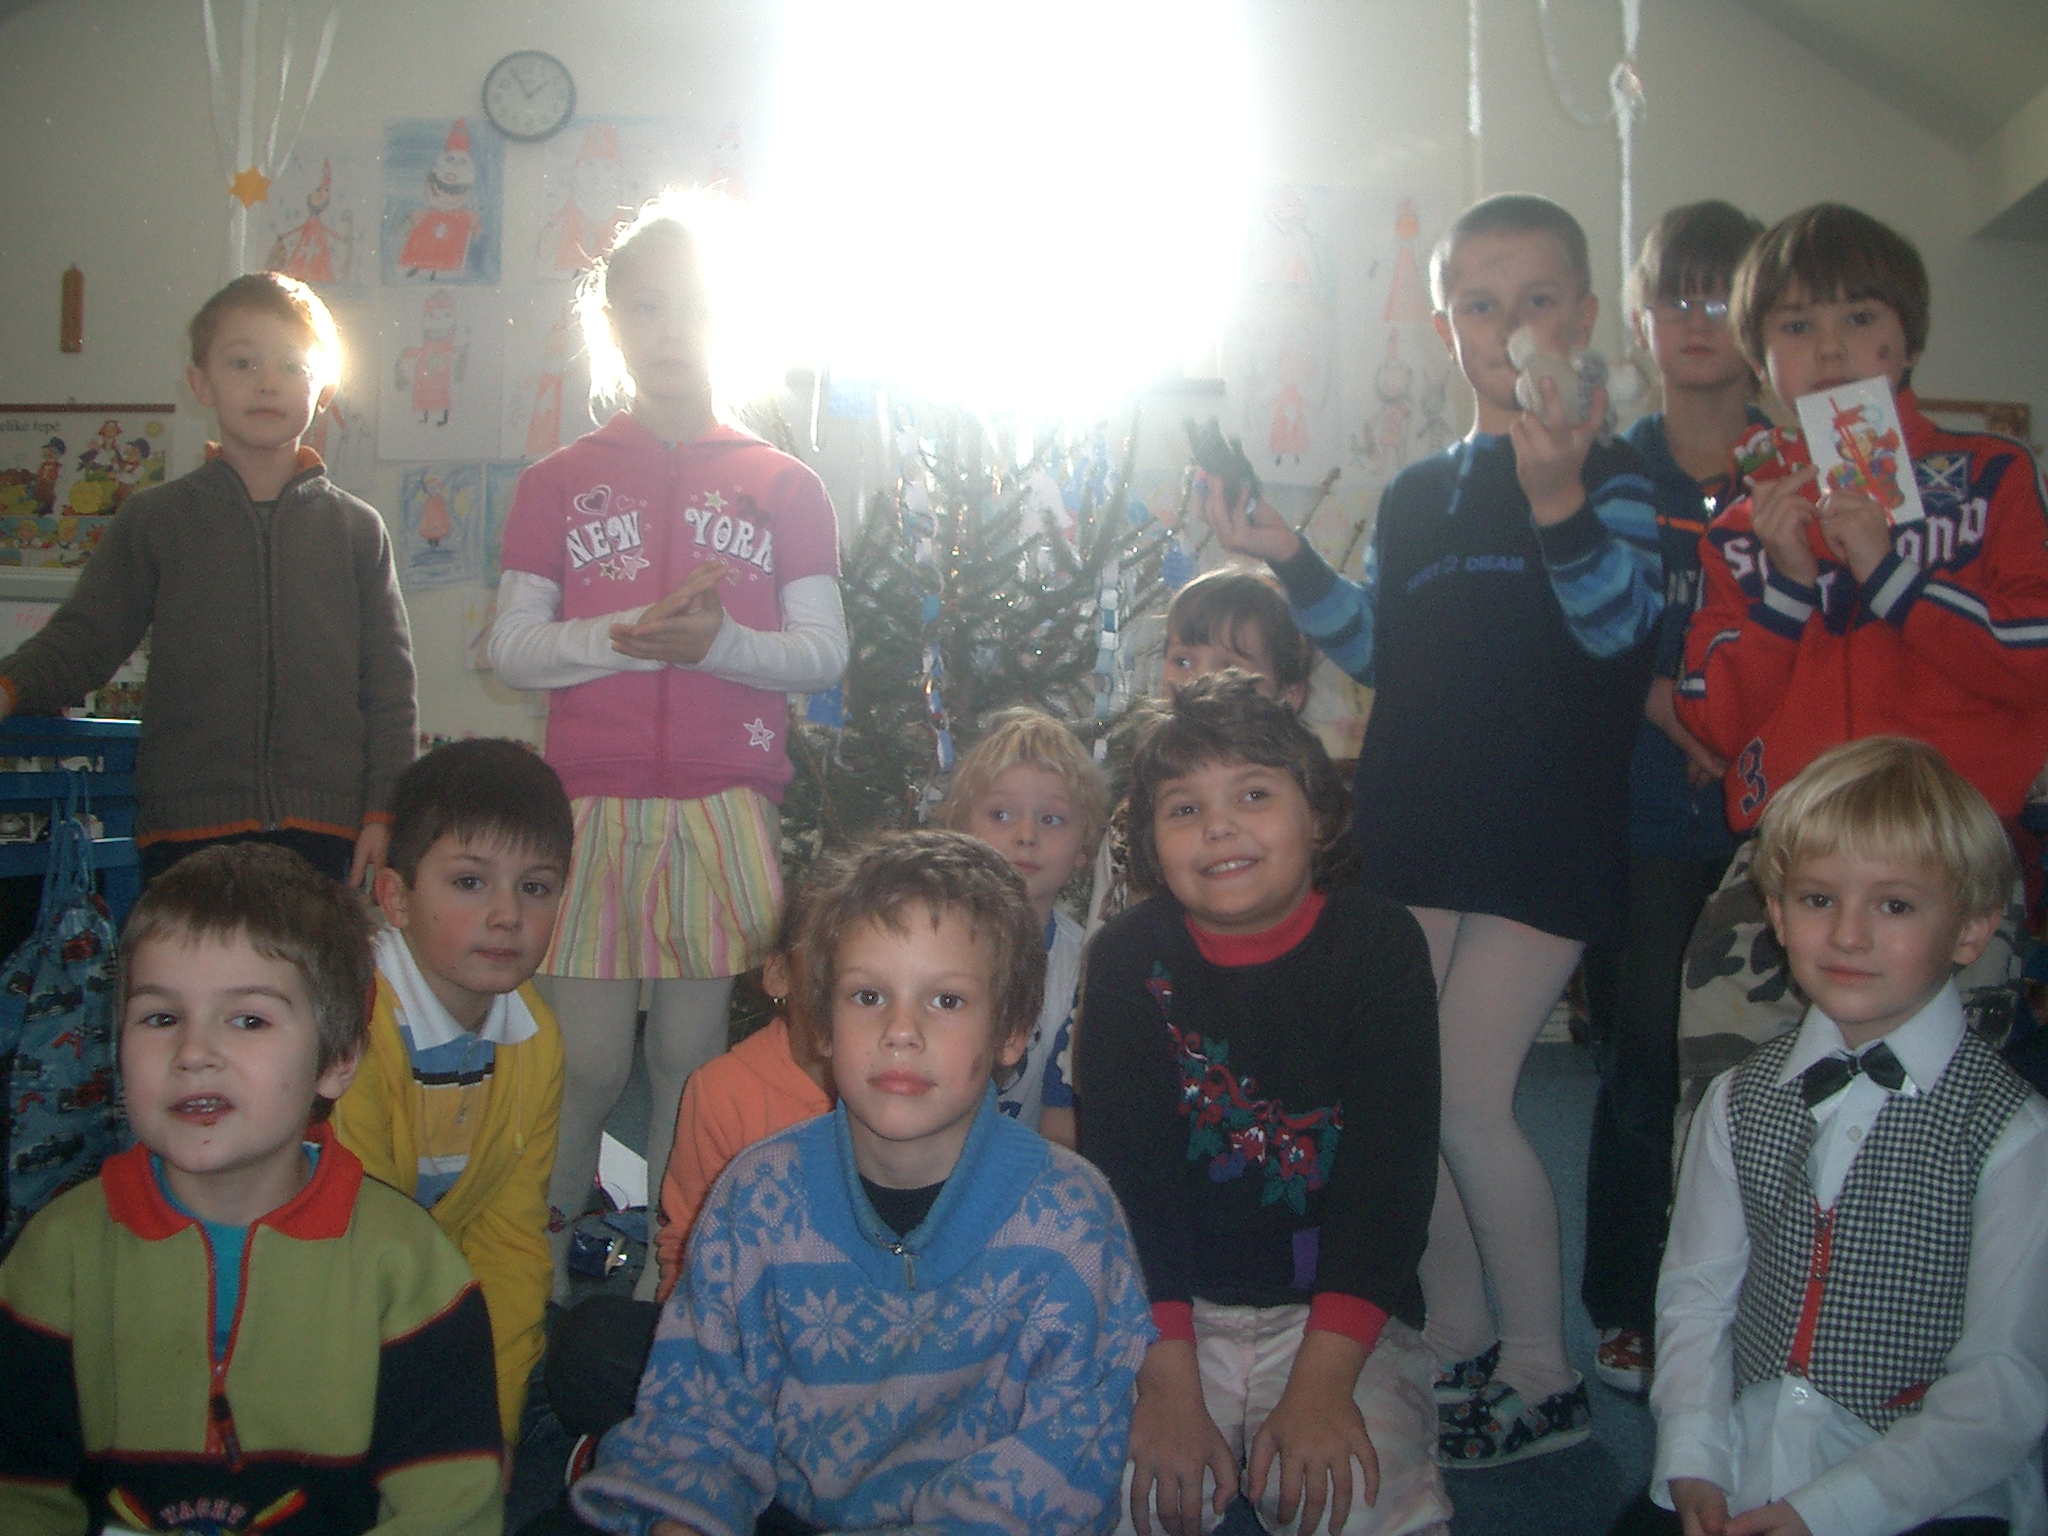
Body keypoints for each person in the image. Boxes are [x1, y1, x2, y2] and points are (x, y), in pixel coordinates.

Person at [1206, 193, 1663, 1463]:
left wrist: (1558, 493)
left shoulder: (1615, 475)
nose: (1506, 327)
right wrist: (1288, 558)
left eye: (1534, 301)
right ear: (1442, 322)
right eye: (1478, 303)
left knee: (1466, 1095)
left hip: (1541, 839)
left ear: (1580, 316)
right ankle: (1459, 1338)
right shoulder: (1416, 493)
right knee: (1412, 1098)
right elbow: (1381, 651)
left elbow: (1618, 636)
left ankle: (1542, 1371)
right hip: (1419, 827)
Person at [570, 831, 1154, 1536]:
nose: (900, 1030)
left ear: (1011, 1032)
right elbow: (702, 1413)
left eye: (946, 1000)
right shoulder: (756, 1195)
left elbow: (1060, 1464)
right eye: (868, 995)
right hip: (784, 1507)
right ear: (823, 1024)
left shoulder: (1072, 1224)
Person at [487, 190, 847, 1304]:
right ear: (611, 325)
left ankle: (666, 1277)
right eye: (643, 308)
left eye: (692, 307)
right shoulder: (556, 482)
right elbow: (510, 648)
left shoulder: (785, 485)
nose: (669, 331)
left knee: (686, 1061)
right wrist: (627, 635)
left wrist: (717, 644)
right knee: (586, 1062)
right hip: (589, 805)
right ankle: (537, 1277)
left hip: (720, 808)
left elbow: (823, 652)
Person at [1670, 203, 2048, 1151]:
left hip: (1945, 844)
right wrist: (1788, 589)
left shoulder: (1989, 474)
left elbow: (2034, 655)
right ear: (1761, 360)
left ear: (1908, 341)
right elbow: (1714, 719)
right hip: (1790, 853)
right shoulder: (1742, 528)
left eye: (1861, 318)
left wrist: (1892, 576)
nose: (1831, 347)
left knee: (1943, 1124)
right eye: (1798, 325)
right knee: (1730, 1106)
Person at [0, 844, 503, 1535]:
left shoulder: (411, 1271)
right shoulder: (57, 1254)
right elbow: (19, 1495)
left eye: (248, 1020)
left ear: (338, 1060)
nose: (193, 1053)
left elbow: (448, 1511)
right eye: (160, 1017)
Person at [1632, 737, 2048, 1535]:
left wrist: (1827, 1512)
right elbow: (1697, 1292)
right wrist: (1693, 1454)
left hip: (1925, 1488)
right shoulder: (1738, 1100)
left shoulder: (2012, 1135)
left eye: (1895, 906)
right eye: (1819, 899)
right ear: (1778, 914)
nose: (1849, 936)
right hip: (1748, 1457)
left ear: (1970, 930)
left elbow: (2003, 1386)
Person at [1079, 674, 1449, 1536]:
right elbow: (1128, 1186)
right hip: (1171, 1316)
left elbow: (1390, 1181)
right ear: (1150, 843)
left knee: (1350, 1501)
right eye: (1184, 809)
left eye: (1253, 794)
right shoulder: (1126, 957)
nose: (1219, 826)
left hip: (1339, 1316)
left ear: (1317, 816)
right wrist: (1167, 1387)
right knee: (1119, 1501)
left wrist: (1323, 1384)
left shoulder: (1379, 944)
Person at [0, 272, 415, 890]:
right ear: (201, 383)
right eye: (243, 363)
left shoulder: (357, 529)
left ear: (324, 389)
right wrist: (10, 685)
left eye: (292, 365)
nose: (268, 381)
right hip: (186, 833)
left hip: (327, 834)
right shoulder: (157, 519)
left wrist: (385, 811)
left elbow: (389, 687)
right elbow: (84, 640)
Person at [1581, 200, 1766, 1397]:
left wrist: (1732, 725)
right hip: (1642, 807)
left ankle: (1760, 1292)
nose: (1694, 320)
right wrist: (1669, 709)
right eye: (1672, 297)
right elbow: (1579, 632)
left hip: (1772, 811)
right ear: (1640, 321)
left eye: (1718, 296)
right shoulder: (1607, 467)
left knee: (1763, 1059)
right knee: (1642, 1055)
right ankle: (1626, 1298)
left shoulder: (1798, 468)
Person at [330, 737, 574, 1443]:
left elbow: (510, 1241)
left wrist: (488, 1433)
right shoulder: (351, 1022)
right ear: (395, 898)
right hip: (306, 1317)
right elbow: (353, 1249)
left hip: (424, 1303)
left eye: (536, 887)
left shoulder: (534, 1040)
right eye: (470, 882)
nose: (508, 915)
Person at [652, 861, 838, 1302]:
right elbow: (686, 1245)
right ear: (779, 975)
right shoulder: (724, 1091)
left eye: (870, 987)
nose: (841, 994)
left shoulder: (902, 1095)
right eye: (827, 966)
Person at [938, 706, 1107, 1144]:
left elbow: (1061, 1126)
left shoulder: (1087, 968)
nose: (1026, 835)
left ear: (1083, 847)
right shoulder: (924, 942)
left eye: (1051, 819)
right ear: (961, 828)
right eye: (1001, 815)